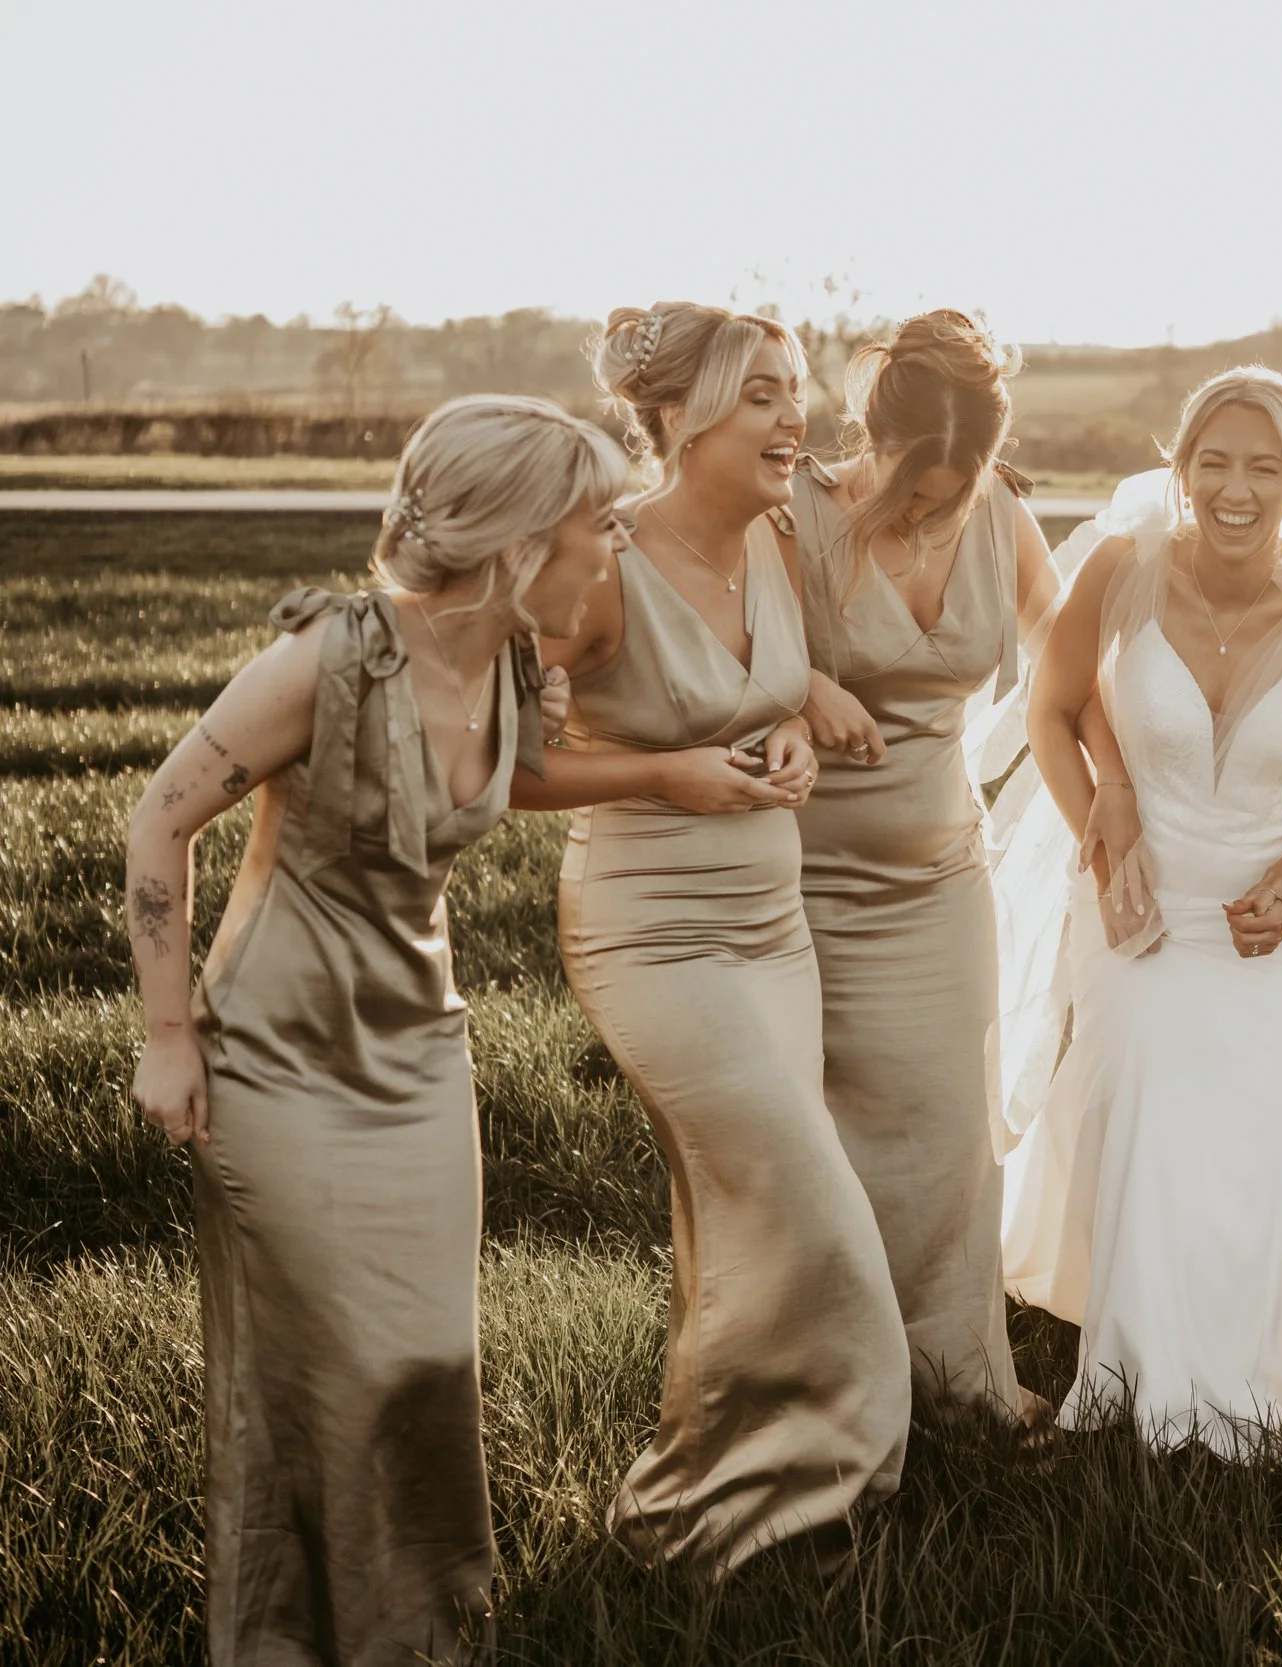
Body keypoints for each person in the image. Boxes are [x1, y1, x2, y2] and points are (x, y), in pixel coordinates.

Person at [124, 395, 629, 1664]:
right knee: (327, 1370)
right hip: (277, 1057)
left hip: (421, 1056)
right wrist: (168, 1033)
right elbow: (158, 818)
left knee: (426, 1364)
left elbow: (530, 764)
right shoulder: (330, 658)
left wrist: (738, 747)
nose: (613, 543)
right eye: (598, 521)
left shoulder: (516, 655)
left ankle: (422, 1636)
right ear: (519, 538)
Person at [519, 302, 910, 1571]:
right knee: (811, 1198)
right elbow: (506, 767)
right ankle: (809, 1485)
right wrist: (664, 773)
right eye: (761, 394)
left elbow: (762, 687)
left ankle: (722, 1489)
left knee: (743, 1212)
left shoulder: (775, 540)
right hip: (652, 934)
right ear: (679, 418)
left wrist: (793, 725)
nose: (796, 416)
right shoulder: (602, 565)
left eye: (794, 389)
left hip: (771, 929)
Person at [1001, 366, 1282, 1457]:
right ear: (1180, 469)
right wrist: (1103, 820)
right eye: (1214, 462)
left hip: (1276, 917)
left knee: (1253, 1134)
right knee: (1146, 1114)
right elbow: (1050, 708)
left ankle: (1232, 1370)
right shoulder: (1123, 567)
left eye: (1264, 467)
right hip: (1142, 894)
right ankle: (1135, 1378)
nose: (1236, 488)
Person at [777, 310, 1060, 1417]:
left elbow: (1071, 657)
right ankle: (833, 1377)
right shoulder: (792, 513)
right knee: (821, 1134)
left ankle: (960, 1379)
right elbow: (707, 644)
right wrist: (804, 683)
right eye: (911, 487)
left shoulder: (1001, 515)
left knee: (951, 1130)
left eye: (954, 489)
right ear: (872, 433)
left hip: (942, 878)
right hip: (800, 880)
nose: (930, 509)